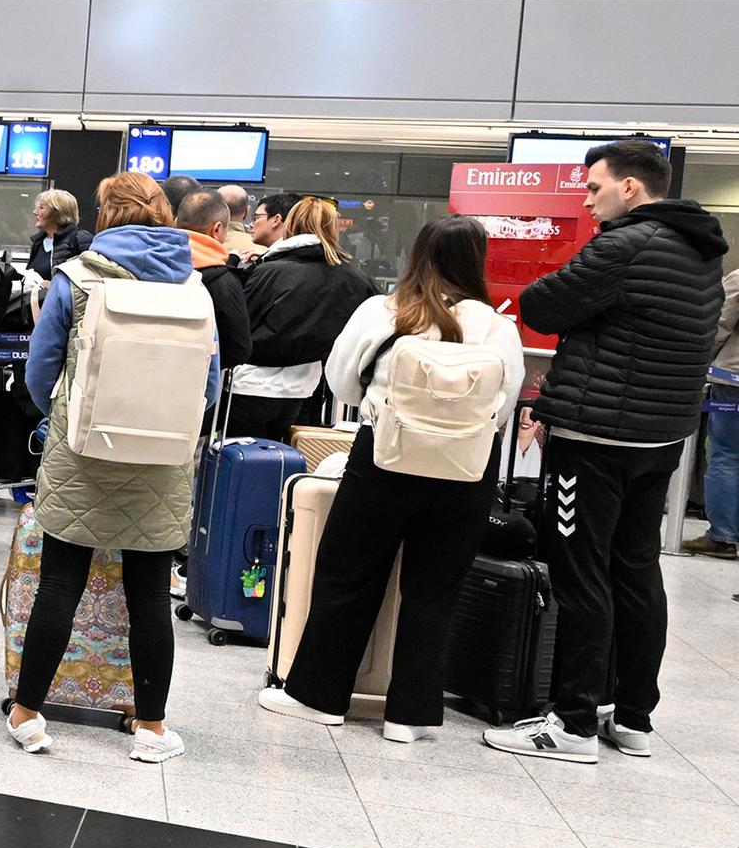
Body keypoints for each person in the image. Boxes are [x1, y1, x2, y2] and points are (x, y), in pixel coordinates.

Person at [484, 141, 729, 765]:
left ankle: (570, 724)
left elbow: (540, 304)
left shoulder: (625, 245)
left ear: (631, 188)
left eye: (595, 188)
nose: (587, 200)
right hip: (659, 437)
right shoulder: (700, 251)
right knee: (636, 571)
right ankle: (634, 715)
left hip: (596, 440)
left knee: (579, 573)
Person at [258, 216, 524, 743]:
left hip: (385, 457)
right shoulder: (498, 327)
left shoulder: (383, 311)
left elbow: (341, 381)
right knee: (435, 590)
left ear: (418, 255)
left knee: (348, 575)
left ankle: (318, 697)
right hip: (466, 469)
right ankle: (411, 714)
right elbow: (504, 404)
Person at [5, 172, 217, 765]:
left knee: (60, 584)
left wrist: (67, 418)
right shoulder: (194, 286)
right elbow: (208, 383)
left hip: (82, 453)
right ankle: (151, 727)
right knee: (149, 595)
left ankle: (27, 713)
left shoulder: (75, 279)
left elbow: (40, 373)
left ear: (106, 214)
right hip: (162, 457)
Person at [227, 195, 373, 439]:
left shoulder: (269, 270)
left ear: (290, 223)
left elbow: (242, 324)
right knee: (287, 462)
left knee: (242, 460)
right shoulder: (353, 277)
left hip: (250, 384)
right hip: (305, 387)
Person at [175, 188, 254, 373]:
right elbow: (239, 349)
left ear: (176, 222)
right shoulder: (224, 282)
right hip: (197, 383)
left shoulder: (150, 265)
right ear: (217, 229)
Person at [691, 266, 739, 558]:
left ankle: (722, 535)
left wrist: (699, 362)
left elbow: (720, 324)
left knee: (727, 455)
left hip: (734, 379)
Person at [25, 188, 91, 281]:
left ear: (58, 212)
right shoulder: (37, 242)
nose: (35, 212)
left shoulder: (80, 238)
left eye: (41, 207)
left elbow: (93, 278)